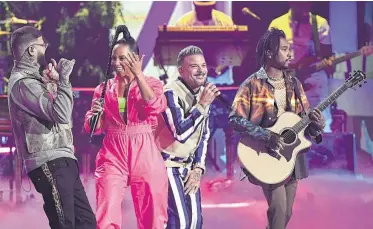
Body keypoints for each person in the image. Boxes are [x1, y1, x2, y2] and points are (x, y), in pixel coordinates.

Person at [229, 28, 326, 229]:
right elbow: (235, 119)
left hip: (291, 157)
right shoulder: (252, 84)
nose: (290, 53)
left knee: (285, 214)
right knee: (279, 209)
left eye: (289, 48)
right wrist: (266, 135)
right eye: (284, 49)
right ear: (269, 53)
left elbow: (303, 123)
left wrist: (317, 126)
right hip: (265, 155)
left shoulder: (295, 84)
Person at [7, 26, 96, 229]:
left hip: (62, 159)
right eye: (42, 45)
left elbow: (63, 120)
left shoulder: (35, 82)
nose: (45, 50)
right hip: (49, 162)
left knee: (87, 223)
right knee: (64, 224)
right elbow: (61, 114)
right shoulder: (24, 84)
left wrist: (56, 84)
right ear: (31, 50)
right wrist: (64, 80)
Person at [84, 25, 168, 229]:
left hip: (145, 150)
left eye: (122, 58)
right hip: (113, 151)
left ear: (137, 59)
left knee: (153, 216)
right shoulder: (104, 88)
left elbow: (155, 107)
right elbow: (92, 128)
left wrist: (139, 76)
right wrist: (95, 115)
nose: (116, 63)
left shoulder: (152, 83)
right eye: (114, 58)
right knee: (107, 213)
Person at [155, 45, 220, 229]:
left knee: (195, 223)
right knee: (180, 224)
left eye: (203, 65)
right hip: (168, 165)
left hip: (189, 166)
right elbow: (180, 133)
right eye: (194, 66)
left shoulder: (202, 93)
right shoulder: (170, 92)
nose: (201, 71)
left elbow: (203, 135)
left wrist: (198, 168)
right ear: (181, 71)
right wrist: (202, 105)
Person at [268, 2, 333, 132]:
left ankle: (321, 148)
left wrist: (327, 63)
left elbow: (327, 54)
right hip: (286, 79)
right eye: (300, 3)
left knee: (319, 122)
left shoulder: (319, 23)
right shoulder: (277, 25)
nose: (304, 7)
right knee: (285, 123)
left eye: (307, 3)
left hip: (313, 79)